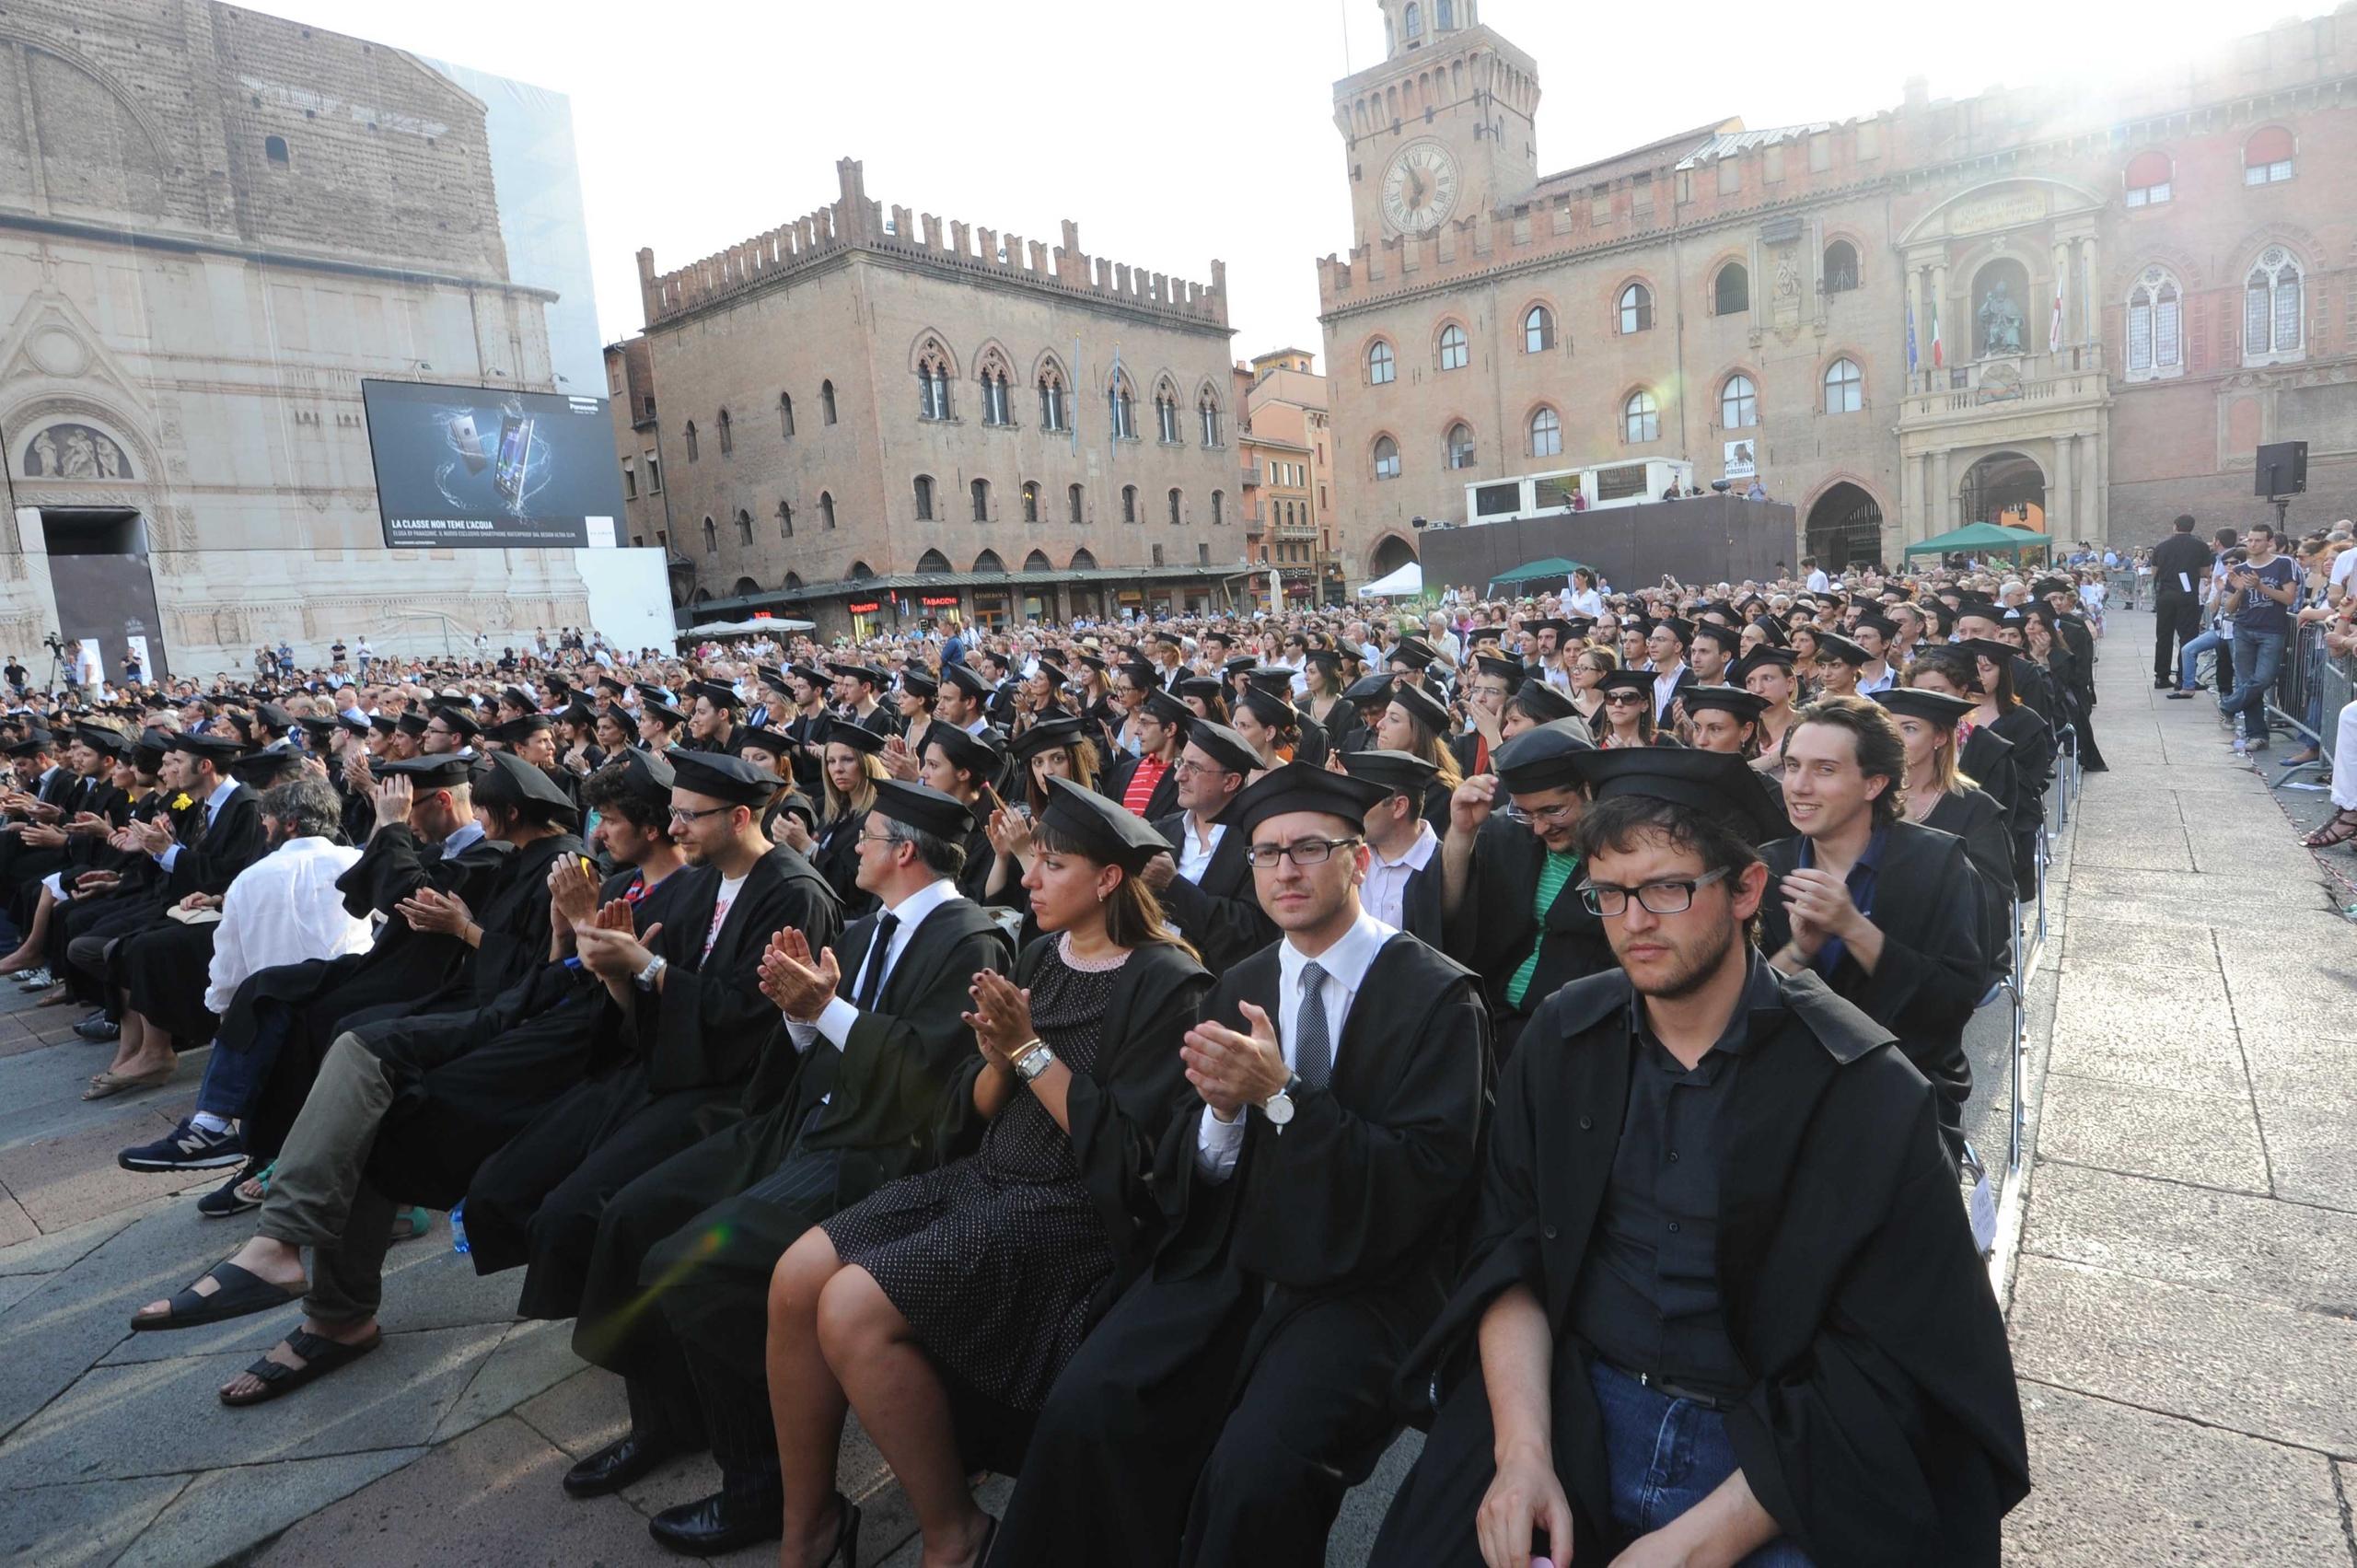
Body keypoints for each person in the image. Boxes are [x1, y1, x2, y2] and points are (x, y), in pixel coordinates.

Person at [1368, 748, 2027, 1568]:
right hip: (1575, 1402)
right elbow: (1511, 1254)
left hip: (1778, 1443)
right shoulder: (1564, 1038)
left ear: (1748, 888)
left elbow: (1887, 1362)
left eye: (1668, 887)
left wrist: (1692, 1546)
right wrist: (1522, 1455)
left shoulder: (1858, 1086)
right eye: (1609, 893)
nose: (1633, 921)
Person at [993, 763, 1489, 1567]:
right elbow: (1196, 1173)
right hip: (1238, 1253)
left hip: (1364, 1281)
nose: (1285, 869)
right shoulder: (1242, 983)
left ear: (1358, 861)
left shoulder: (1436, 997)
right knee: (1089, 1405)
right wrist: (1223, 1114)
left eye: (1308, 848)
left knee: (1257, 1474)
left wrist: (1284, 1095)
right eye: (1265, 853)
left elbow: (1428, 1180)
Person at [764, 778, 1210, 1568]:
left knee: (853, 1309)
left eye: (1053, 865)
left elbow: (1133, 1159)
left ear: (1108, 879)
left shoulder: (1165, 982)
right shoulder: (1040, 953)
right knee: (797, 1275)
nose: (1028, 880)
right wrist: (999, 1059)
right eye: (1034, 862)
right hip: (990, 1176)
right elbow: (977, 1108)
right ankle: (811, 1527)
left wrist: (1031, 1050)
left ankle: (955, 1533)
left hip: (1071, 1205)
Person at [563, 781, 1013, 1553]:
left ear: (903, 850)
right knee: (632, 1208)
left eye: (868, 836)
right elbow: (834, 1039)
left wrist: (826, 1010)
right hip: (802, 1119)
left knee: (692, 1266)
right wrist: (801, 1013)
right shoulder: (879, 927)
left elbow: (928, 1080)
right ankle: (669, 1419)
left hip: (871, 1152)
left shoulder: (968, 937)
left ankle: (763, 1484)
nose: (854, 847)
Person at [458, 750, 842, 1320]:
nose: (677, 827)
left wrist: (648, 968)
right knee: (505, 1179)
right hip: (665, 1060)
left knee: (586, 1208)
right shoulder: (701, 883)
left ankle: (622, 1327)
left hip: (734, 1091)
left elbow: (752, 1017)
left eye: (691, 815)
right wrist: (617, 972)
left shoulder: (793, 893)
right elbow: (643, 990)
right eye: (675, 812)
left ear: (739, 818)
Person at [113, 776, 376, 1174]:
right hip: (354, 1002)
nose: (262, 826)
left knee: (256, 1003)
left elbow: (227, 976)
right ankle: (247, 1155)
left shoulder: (251, 880)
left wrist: (227, 1020)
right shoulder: (357, 864)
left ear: (289, 823)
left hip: (285, 1013)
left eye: (266, 817)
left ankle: (222, 1136)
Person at [1761, 697, 1984, 1163]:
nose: (1798, 786)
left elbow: (1952, 1003)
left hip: (1902, 1087)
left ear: (1874, 783)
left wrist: (1853, 928)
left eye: (1824, 769)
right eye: (1792, 766)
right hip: (1782, 1089)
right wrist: (1799, 953)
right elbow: (1738, 1008)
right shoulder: (1765, 867)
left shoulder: (1936, 863)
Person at [1441, 719, 1613, 1056]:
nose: (1539, 828)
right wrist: (1461, 835)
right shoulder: (1507, 835)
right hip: (1494, 1025)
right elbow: (1448, 911)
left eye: (1553, 811)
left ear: (1588, 791)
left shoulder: (1620, 853)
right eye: (1526, 814)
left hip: (1580, 1037)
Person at [1143, 719, 1274, 978]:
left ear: (1231, 781)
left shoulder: (1257, 843)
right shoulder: (1162, 831)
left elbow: (1251, 932)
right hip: (1150, 976)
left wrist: (1173, 886)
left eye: (1194, 768)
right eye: (1181, 763)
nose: (1179, 776)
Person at [1342, 749, 1444, 946]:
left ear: (1399, 807)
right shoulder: (1346, 856)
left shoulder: (1442, 868)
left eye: (1362, 802)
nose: (1352, 811)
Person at [2218, 521, 2300, 756]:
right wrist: (2242, 589)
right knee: (2247, 684)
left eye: (2258, 540)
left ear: (2269, 542)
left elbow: (2288, 598)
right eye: (2250, 540)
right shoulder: (2240, 568)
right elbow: (2230, 608)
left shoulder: (2284, 564)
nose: (2253, 544)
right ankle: (2258, 736)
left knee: (2263, 678)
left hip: (2271, 630)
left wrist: (2261, 586)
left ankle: (2228, 704)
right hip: (2243, 629)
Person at [2151, 514, 2214, 691]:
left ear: (2175, 526)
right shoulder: (2201, 546)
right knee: (2187, 637)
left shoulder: (2161, 546)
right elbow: (2204, 572)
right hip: (2188, 596)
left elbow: (2154, 572)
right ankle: (2183, 677)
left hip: (2166, 595)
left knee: (2163, 636)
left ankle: (2161, 677)